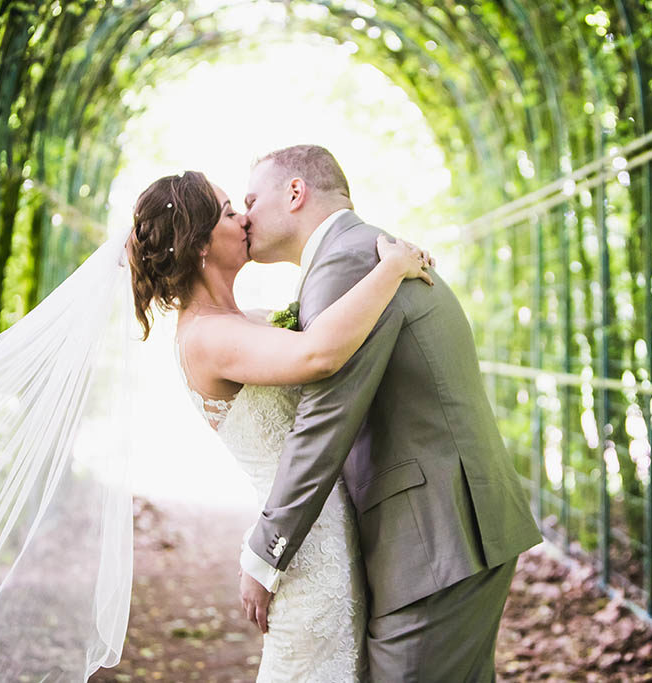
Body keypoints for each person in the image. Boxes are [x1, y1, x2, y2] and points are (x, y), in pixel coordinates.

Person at [237, 144, 545, 681]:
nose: (243, 217)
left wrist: (266, 553)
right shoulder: (360, 252)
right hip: (450, 530)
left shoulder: (347, 261)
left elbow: (326, 417)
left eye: (249, 200)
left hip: (436, 540)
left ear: (294, 193)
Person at [126, 170, 436, 681]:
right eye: (228, 212)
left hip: (331, 532)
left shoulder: (248, 320)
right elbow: (318, 355)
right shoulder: (206, 337)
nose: (244, 217)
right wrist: (390, 270)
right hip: (305, 555)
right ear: (199, 244)